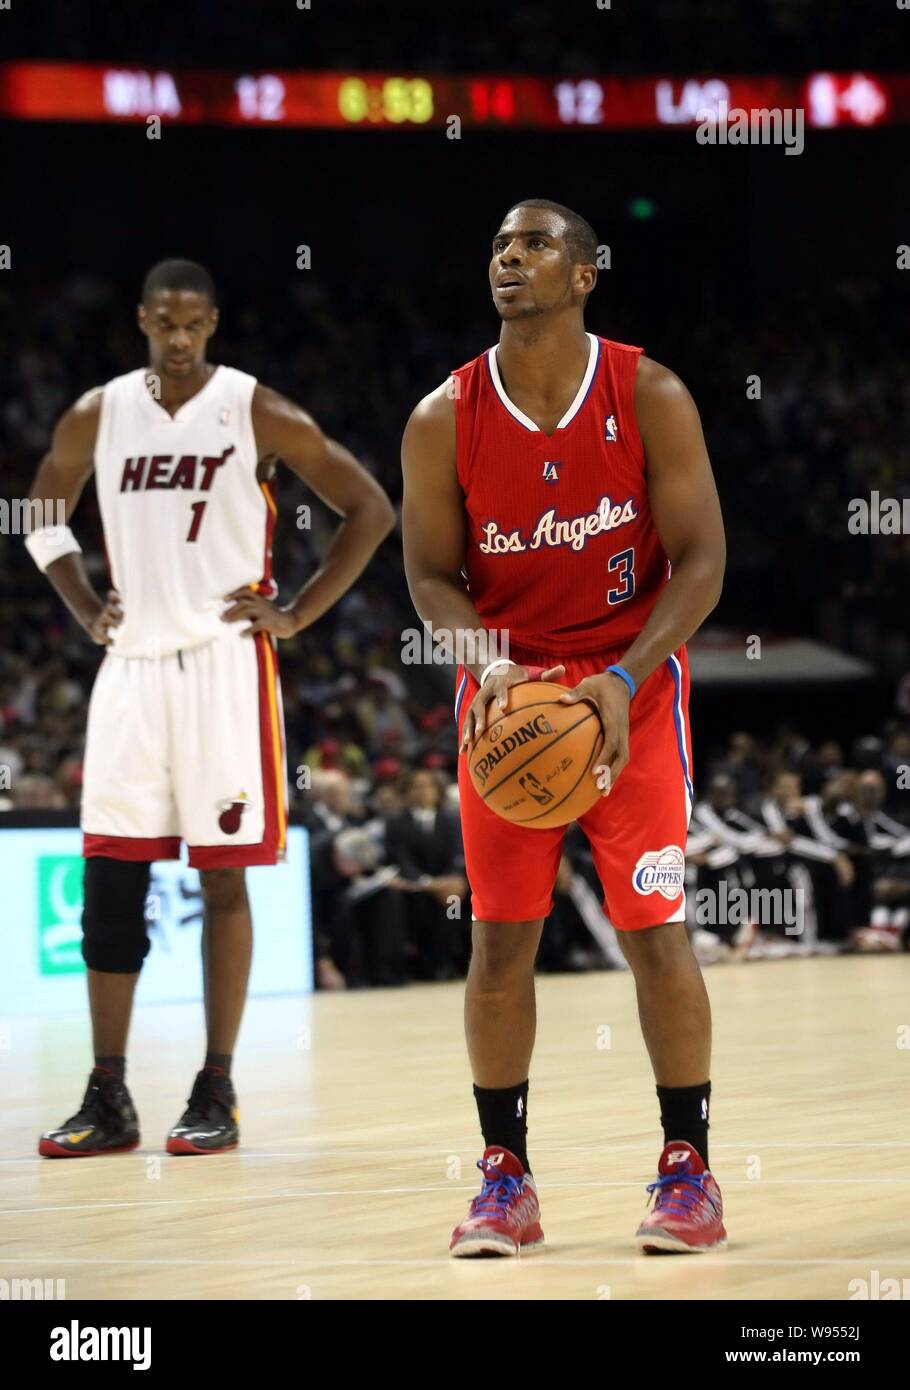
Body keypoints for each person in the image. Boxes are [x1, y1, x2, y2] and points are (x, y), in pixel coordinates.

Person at [401, 199, 727, 1255]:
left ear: (584, 273)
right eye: (498, 243)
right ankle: (505, 1179)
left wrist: (627, 678)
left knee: (656, 937)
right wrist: (485, 663)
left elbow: (703, 560)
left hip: (631, 689)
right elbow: (426, 576)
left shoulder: (651, 393)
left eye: (536, 244)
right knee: (500, 943)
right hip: (507, 694)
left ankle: (688, 1169)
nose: (510, 257)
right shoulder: (442, 416)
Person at [26, 258, 394, 1157]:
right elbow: (37, 511)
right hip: (132, 668)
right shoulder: (98, 411)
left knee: (223, 877)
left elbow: (370, 508)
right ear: (142, 320)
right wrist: (83, 604)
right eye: (165, 322)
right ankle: (107, 1094)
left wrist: (299, 611)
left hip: (228, 665)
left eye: (194, 324)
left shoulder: (254, 407)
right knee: (110, 888)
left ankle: (216, 1088)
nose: (180, 337)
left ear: (214, 324)